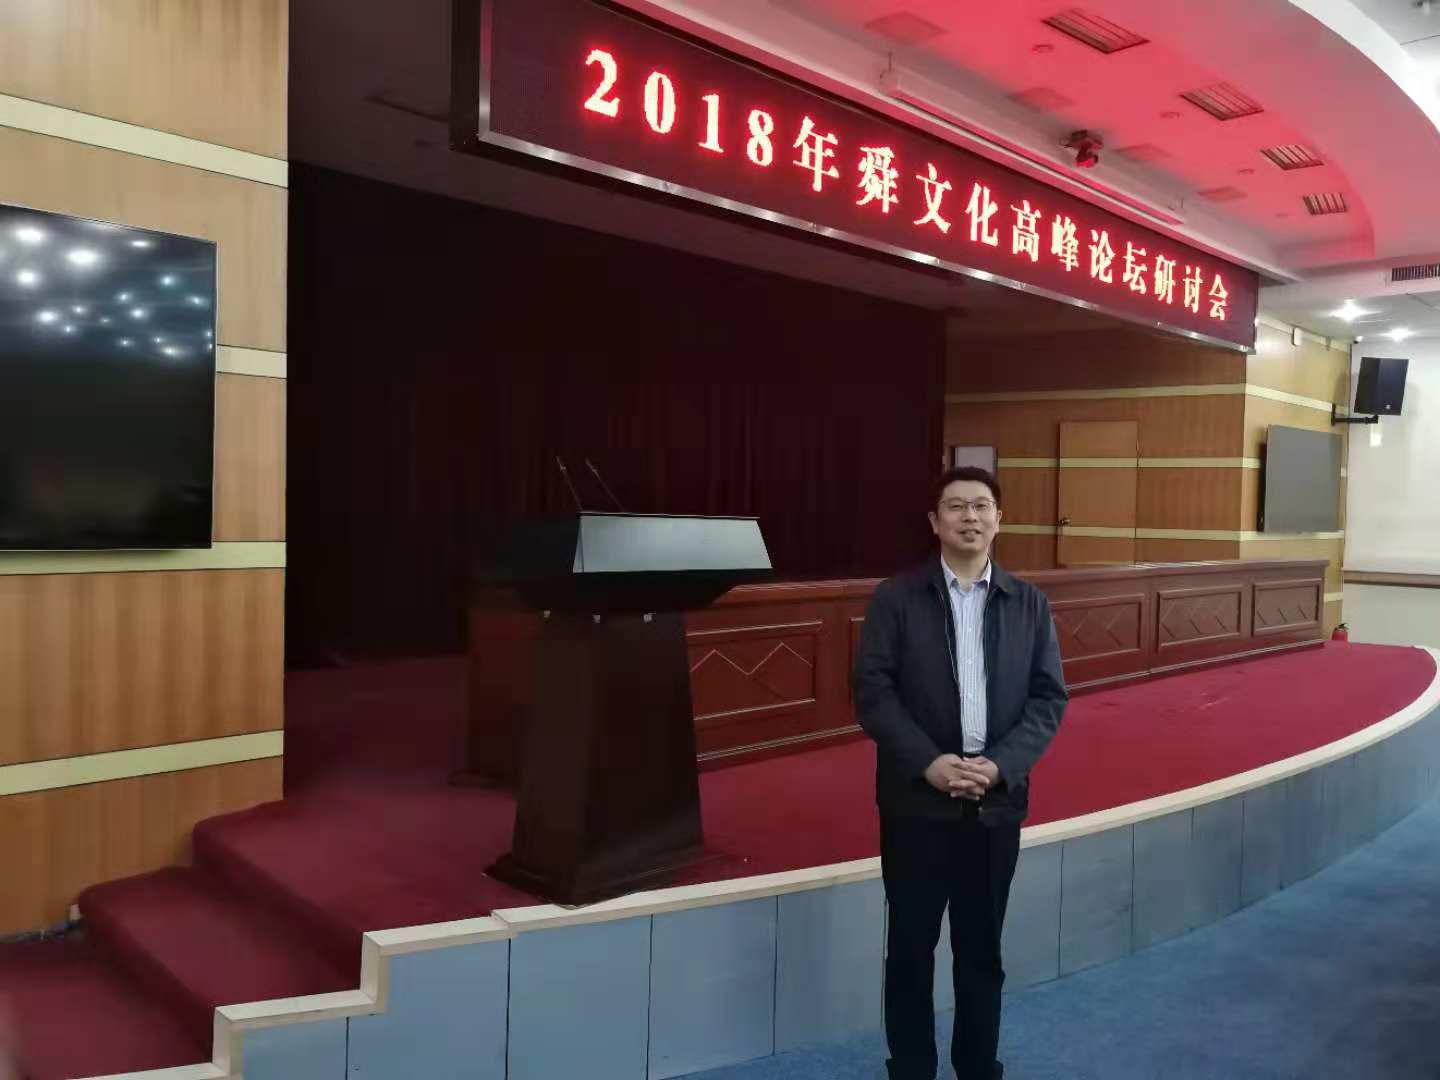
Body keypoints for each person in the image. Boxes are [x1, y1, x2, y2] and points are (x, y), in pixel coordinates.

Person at [854, 466, 1068, 1080]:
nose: (969, 517)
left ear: (999, 520)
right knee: (911, 952)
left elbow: (1048, 699)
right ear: (934, 521)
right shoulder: (896, 599)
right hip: (916, 804)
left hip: (995, 805)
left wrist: (1000, 765)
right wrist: (928, 763)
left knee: (981, 951)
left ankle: (978, 1067)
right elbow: (873, 693)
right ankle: (911, 1070)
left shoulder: (1028, 603)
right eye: (955, 506)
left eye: (981, 506)